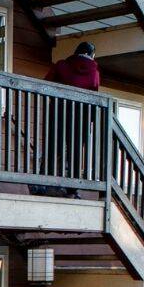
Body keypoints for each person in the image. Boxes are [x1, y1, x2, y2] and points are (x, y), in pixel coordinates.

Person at [33, 42, 101, 197]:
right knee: (75, 152)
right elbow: (95, 95)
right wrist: (90, 120)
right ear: (91, 54)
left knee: (52, 148)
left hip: (58, 113)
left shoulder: (62, 65)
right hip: (82, 117)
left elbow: (46, 84)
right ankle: (72, 189)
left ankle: (44, 184)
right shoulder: (95, 73)